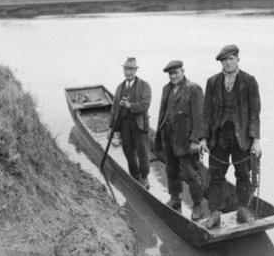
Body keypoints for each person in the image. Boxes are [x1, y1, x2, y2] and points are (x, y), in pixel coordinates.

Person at [201, 45, 262, 229]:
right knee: (215, 174)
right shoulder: (212, 82)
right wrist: (204, 138)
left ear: (238, 60)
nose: (228, 63)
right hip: (218, 136)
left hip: (241, 137)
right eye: (224, 60)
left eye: (231, 59)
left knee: (243, 174)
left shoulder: (249, 81)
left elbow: (255, 112)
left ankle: (243, 209)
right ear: (221, 63)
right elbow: (206, 113)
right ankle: (216, 213)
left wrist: (256, 140)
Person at [154, 60, 204, 221]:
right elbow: (162, 113)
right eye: (170, 74)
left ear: (183, 71)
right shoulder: (166, 88)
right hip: (168, 137)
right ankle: (175, 198)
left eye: (176, 73)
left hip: (185, 140)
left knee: (191, 174)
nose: (173, 76)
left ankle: (197, 205)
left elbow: (199, 117)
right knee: (171, 169)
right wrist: (159, 136)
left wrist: (196, 140)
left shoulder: (193, 89)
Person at [109, 57, 152, 189]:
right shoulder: (120, 87)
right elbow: (115, 108)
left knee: (142, 152)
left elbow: (145, 105)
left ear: (135, 70)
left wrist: (129, 105)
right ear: (123, 70)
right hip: (124, 126)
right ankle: (135, 175)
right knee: (128, 151)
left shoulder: (145, 86)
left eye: (131, 69)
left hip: (139, 125)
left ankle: (144, 177)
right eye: (126, 69)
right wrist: (113, 128)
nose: (128, 72)